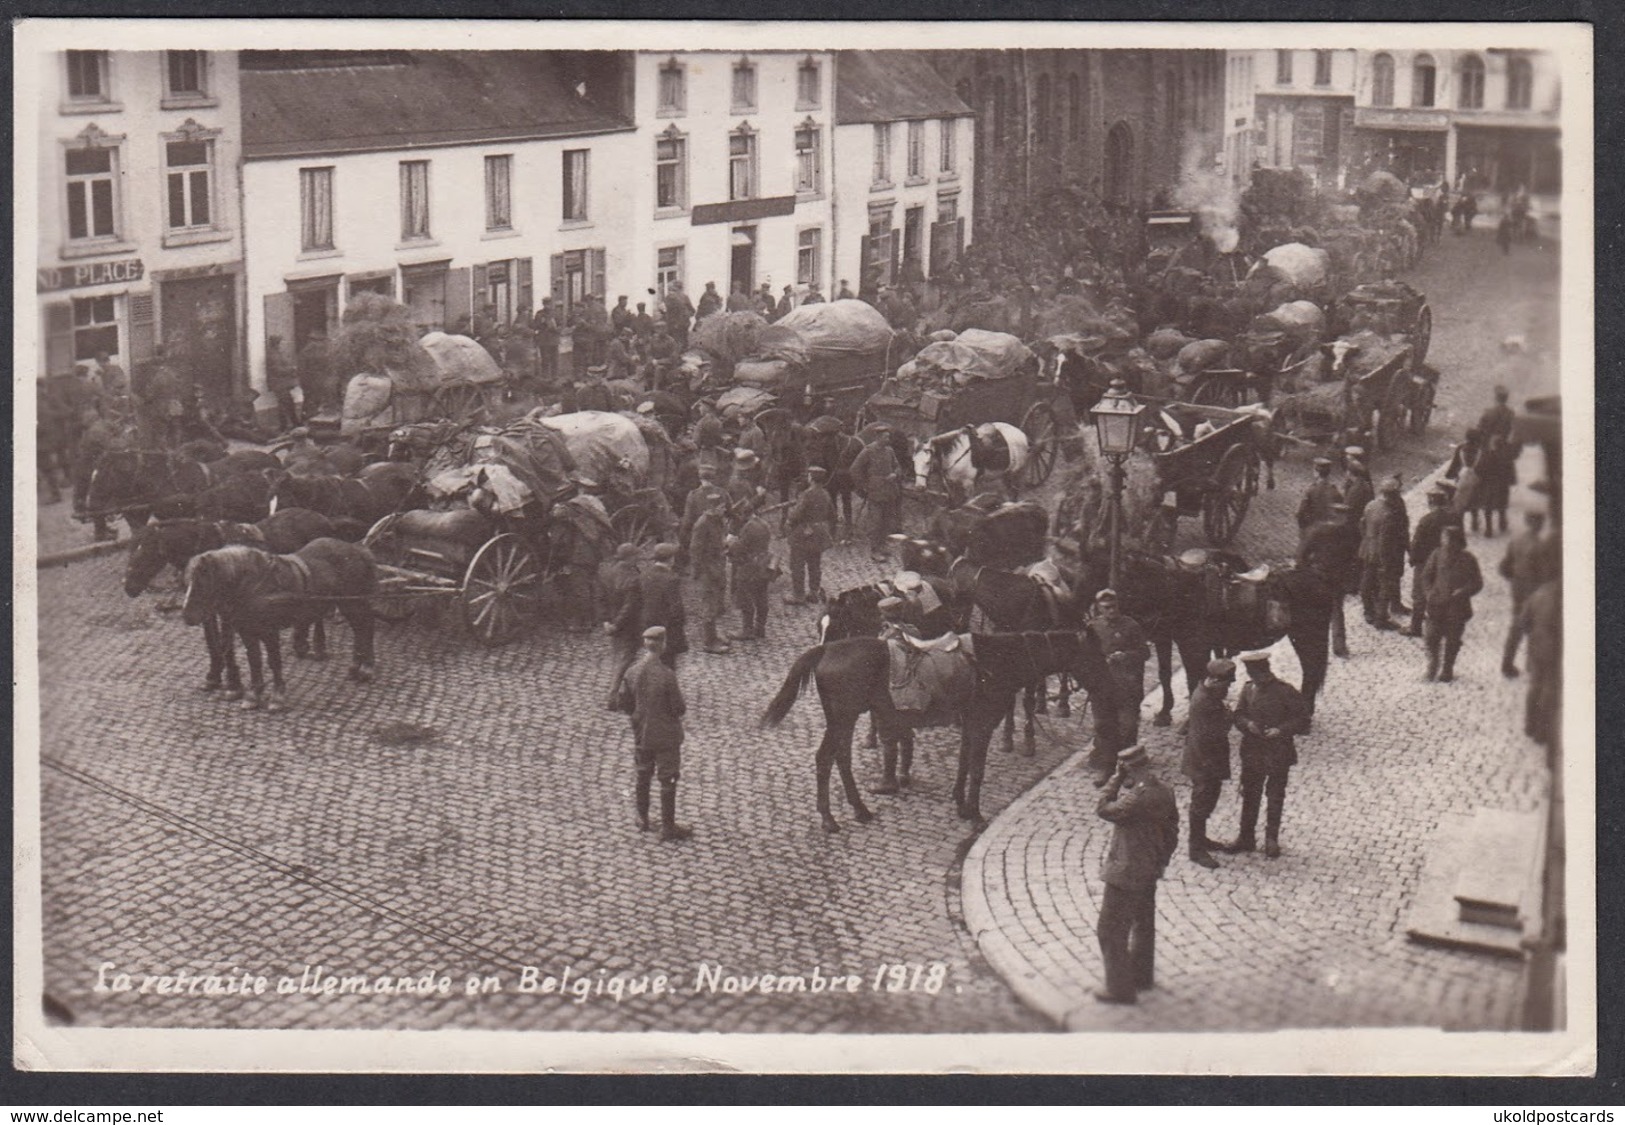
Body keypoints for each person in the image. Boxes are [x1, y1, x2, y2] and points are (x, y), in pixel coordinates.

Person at [1093, 744, 1179, 1005]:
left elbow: (1103, 807)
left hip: (1125, 871)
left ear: (1128, 768)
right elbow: (1172, 832)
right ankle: (1142, 976)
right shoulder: (1164, 791)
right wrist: (1161, 860)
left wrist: (1115, 780)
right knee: (1142, 923)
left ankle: (1120, 989)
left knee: (1109, 930)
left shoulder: (1133, 799)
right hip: (1150, 867)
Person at [1222, 651, 1311, 859]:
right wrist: (1247, 725)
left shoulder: (1285, 691)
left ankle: (1271, 839)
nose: (1255, 678)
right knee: (1250, 794)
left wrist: (1281, 730)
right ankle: (1246, 837)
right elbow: (1239, 716)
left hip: (1278, 751)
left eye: (1257, 674)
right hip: (1252, 751)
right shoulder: (1248, 689)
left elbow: (1303, 719)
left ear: (1266, 671)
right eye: (1252, 674)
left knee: (1275, 796)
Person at [614, 626, 693, 841]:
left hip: (642, 732)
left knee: (643, 773)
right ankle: (668, 827)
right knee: (668, 779)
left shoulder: (632, 671)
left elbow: (624, 702)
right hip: (666, 735)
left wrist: (638, 717)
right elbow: (679, 708)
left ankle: (642, 818)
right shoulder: (667, 675)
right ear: (663, 645)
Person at [1086, 589, 1150, 786]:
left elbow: (1145, 653)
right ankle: (1106, 768)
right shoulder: (1092, 627)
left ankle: (1128, 769)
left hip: (1127, 687)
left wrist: (1126, 656)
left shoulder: (1131, 626)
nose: (1111, 610)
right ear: (1098, 608)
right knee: (1103, 727)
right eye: (1106, 607)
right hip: (1102, 689)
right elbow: (1085, 656)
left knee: (1128, 728)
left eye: (1114, 606)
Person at [1182, 658, 1236, 870]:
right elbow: (1217, 732)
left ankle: (1201, 839)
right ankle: (1195, 848)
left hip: (1206, 759)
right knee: (1201, 803)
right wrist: (1229, 715)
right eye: (1227, 684)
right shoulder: (1206, 702)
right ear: (1214, 680)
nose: (1228, 688)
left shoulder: (1207, 693)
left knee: (1207, 800)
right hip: (1204, 762)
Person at [1419, 525, 1483, 683]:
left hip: (1457, 607)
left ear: (1456, 541)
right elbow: (1426, 577)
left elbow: (1477, 583)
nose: (1443, 541)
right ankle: (1433, 664)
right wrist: (1429, 593)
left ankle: (1448, 668)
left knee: (1453, 640)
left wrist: (1463, 591)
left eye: (1446, 538)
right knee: (1431, 636)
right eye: (1443, 538)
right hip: (1436, 604)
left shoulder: (1468, 559)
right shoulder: (1436, 555)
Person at [1500, 510, 1560, 677]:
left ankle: (1507, 663)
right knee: (1535, 628)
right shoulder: (1540, 546)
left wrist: (1515, 580)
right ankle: (1531, 665)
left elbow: (1504, 567)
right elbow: (1546, 573)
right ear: (1539, 524)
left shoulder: (1516, 541)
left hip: (1518, 591)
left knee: (1516, 627)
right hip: (1534, 592)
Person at [1297, 501, 1360, 658]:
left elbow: (1301, 554)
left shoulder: (1318, 530)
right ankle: (1339, 647)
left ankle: (1315, 646)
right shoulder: (1349, 532)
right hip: (1337, 577)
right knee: (1336, 611)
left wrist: (1306, 571)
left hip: (1319, 575)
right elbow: (1354, 557)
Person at [1400, 486, 1455, 638]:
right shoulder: (1453, 518)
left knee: (1419, 595)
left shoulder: (1426, 520)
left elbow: (1416, 543)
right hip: (1445, 563)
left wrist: (1413, 559)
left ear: (1431, 502)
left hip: (1425, 563)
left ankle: (1415, 627)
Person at [1359, 475, 1409, 630]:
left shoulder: (1371, 505)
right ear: (1394, 494)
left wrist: (1367, 540)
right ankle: (1381, 618)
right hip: (1383, 554)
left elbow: (1361, 524)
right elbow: (1386, 540)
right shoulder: (1390, 513)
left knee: (1367, 581)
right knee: (1385, 585)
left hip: (1368, 549)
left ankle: (1368, 611)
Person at [1516, 578, 1562, 750]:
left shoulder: (1538, 594)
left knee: (1535, 686)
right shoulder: (1562, 597)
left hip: (1536, 647)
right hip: (1554, 650)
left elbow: (1523, 622)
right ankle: (1542, 731)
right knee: (1549, 689)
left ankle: (1530, 726)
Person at [688, 492, 735, 655]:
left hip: (717, 566)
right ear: (713, 508)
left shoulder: (717, 521)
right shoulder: (702, 524)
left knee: (716, 603)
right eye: (722, 507)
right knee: (708, 605)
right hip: (707, 570)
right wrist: (698, 572)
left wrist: (725, 545)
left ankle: (714, 634)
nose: (724, 510)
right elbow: (695, 550)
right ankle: (709, 642)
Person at [850, 424, 904, 561]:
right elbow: (854, 469)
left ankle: (883, 546)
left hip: (890, 491)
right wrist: (863, 486)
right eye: (886, 437)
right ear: (878, 437)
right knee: (875, 522)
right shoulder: (868, 451)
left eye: (888, 436)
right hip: (876, 491)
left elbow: (898, 466)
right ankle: (875, 550)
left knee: (887, 520)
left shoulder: (890, 451)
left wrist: (895, 474)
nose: (888, 439)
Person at [601, 543, 644, 708]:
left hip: (612, 623)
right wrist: (617, 625)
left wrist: (606, 621)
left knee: (619, 659)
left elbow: (600, 599)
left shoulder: (607, 573)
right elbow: (630, 606)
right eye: (636, 556)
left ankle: (624, 694)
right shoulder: (633, 578)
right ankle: (612, 698)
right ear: (630, 558)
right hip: (628, 626)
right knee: (625, 661)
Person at [785, 465, 835, 605]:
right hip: (819, 533)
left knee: (797, 564)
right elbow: (832, 514)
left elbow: (796, 514)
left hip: (804, 533)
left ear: (811, 478)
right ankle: (814, 592)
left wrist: (790, 517)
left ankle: (798, 595)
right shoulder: (826, 494)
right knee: (815, 564)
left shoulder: (807, 494)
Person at [726, 498, 774, 641]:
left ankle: (747, 630)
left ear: (742, 515)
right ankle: (760, 628)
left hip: (749, 567)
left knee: (745, 597)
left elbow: (739, 548)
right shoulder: (763, 523)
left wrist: (731, 543)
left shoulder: (748, 527)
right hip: (764, 564)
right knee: (762, 596)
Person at [636, 543, 689, 668]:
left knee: (653, 656)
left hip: (648, 622)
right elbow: (676, 608)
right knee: (668, 662)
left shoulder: (644, 575)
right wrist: (680, 624)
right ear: (671, 559)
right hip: (667, 626)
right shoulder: (671, 579)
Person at [678, 460, 730, 563]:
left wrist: (682, 539)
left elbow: (687, 521)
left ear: (700, 477)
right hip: (719, 533)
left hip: (699, 535)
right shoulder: (722, 492)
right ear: (713, 477)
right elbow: (730, 512)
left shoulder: (693, 495)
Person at [1296, 456, 1342, 535]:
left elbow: (1301, 512)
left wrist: (1304, 529)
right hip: (1329, 532)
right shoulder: (1335, 490)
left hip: (1313, 531)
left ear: (1316, 472)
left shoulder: (1311, 490)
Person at [265, 335, 300, 432]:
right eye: (280, 342)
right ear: (276, 343)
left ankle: (285, 425)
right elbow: (277, 370)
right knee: (288, 403)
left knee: (284, 404)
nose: (281, 344)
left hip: (282, 383)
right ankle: (294, 423)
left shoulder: (276, 353)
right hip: (279, 384)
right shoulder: (273, 355)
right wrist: (291, 369)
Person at [295, 332, 331, 423]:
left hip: (314, 380)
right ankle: (308, 420)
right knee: (311, 401)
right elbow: (302, 369)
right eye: (319, 341)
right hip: (312, 381)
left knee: (312, 401)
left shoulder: (311, 351)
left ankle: (307, 420)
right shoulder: (310, 351)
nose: (320, 343)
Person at [532, 299, 562, 384]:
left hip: (554, 339)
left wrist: (555, 328)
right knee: (545, 358)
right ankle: (545, 376)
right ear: (543, 304)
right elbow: (534, 326)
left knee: (554, 359)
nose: (547, 306)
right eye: (545, 304)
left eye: (549, 304)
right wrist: (541, 323)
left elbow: (560, 326)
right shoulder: (539, 314)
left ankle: (555, 376)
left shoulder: (556, 313)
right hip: (543, 340)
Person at [663, 282, 696, 349]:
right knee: (683, 340)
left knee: (674, 341)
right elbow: (692, 310)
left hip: (672, 323)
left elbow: (665, 309)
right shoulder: (685, 297)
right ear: (681, 288)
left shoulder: (669, 297)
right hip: (684, 323)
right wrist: (687, 315)